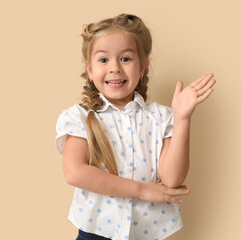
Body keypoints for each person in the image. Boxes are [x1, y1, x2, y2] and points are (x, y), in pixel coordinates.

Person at [55, 13, 216, 240]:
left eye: (126, 59)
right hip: (96, 232)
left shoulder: (162, 117)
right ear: (89, 70)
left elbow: (172, 180)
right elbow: (74, 172)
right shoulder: (79, 117)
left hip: (149, 232)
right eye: (103, 60)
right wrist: (142, 190)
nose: (115, 68)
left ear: (142, 68)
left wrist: (182, 119)